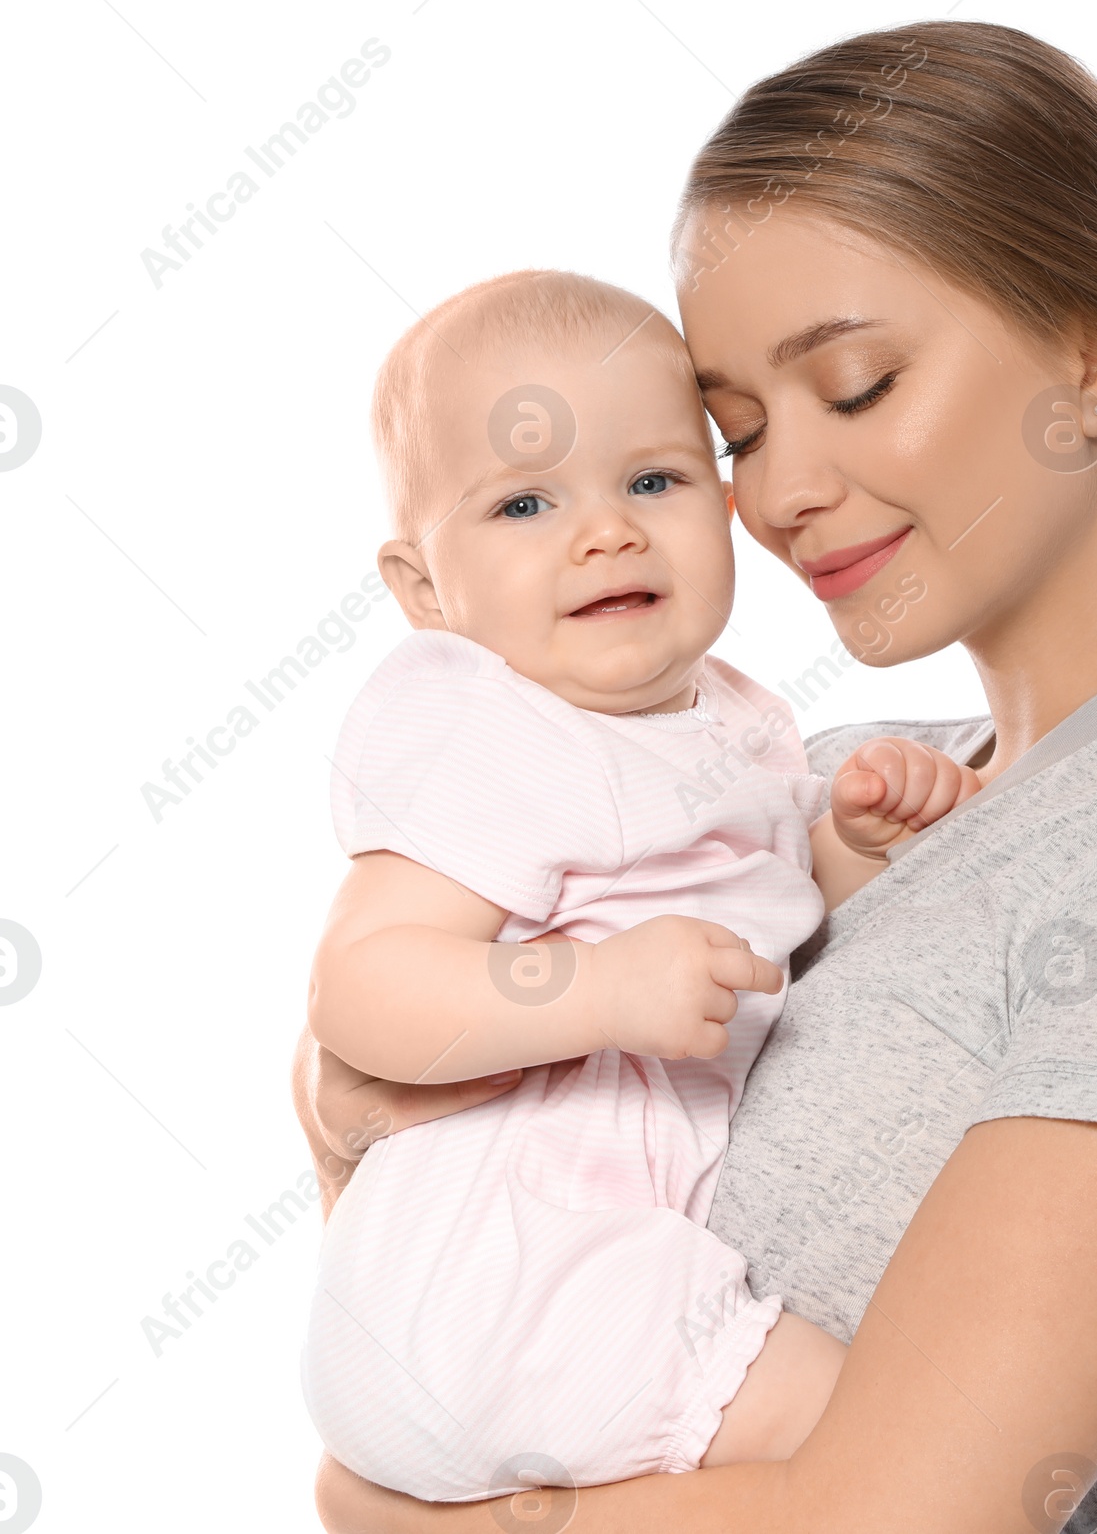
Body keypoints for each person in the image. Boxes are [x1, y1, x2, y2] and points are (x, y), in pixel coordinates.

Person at [301, 21, 1097, 1533]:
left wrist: (446, 1524)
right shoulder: (806, 796)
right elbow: (420, 1192)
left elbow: (907, 1517)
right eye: (739, 435)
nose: (780, 495)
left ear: (1090, 357)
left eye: (858, 384)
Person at [299, 268, 983, 1500]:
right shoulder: (494, 728)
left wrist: (857, 840)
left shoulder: (737, 724)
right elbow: (361, 982)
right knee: (891, 1452)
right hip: (506, 1278)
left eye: (653, 481)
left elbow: (754, 921)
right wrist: (596, 989)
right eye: (522, 502)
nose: (604, 529)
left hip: (571, 1267)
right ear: (422, 591)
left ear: (724, 507)